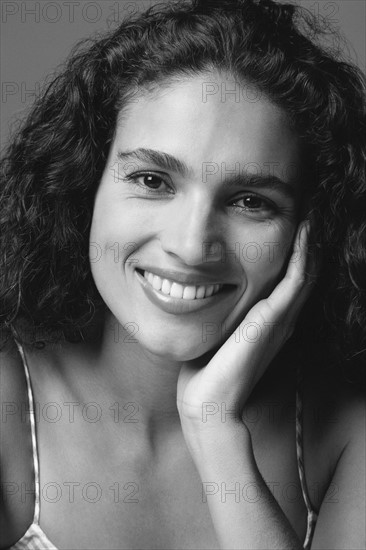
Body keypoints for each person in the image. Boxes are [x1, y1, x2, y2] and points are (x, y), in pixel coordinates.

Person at [1, 0, 365, 548]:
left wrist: (215, 427)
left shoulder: (345, 431)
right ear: (84, 183)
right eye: (152, 180)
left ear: (314, 232)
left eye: (250, 201)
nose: (192, 246)